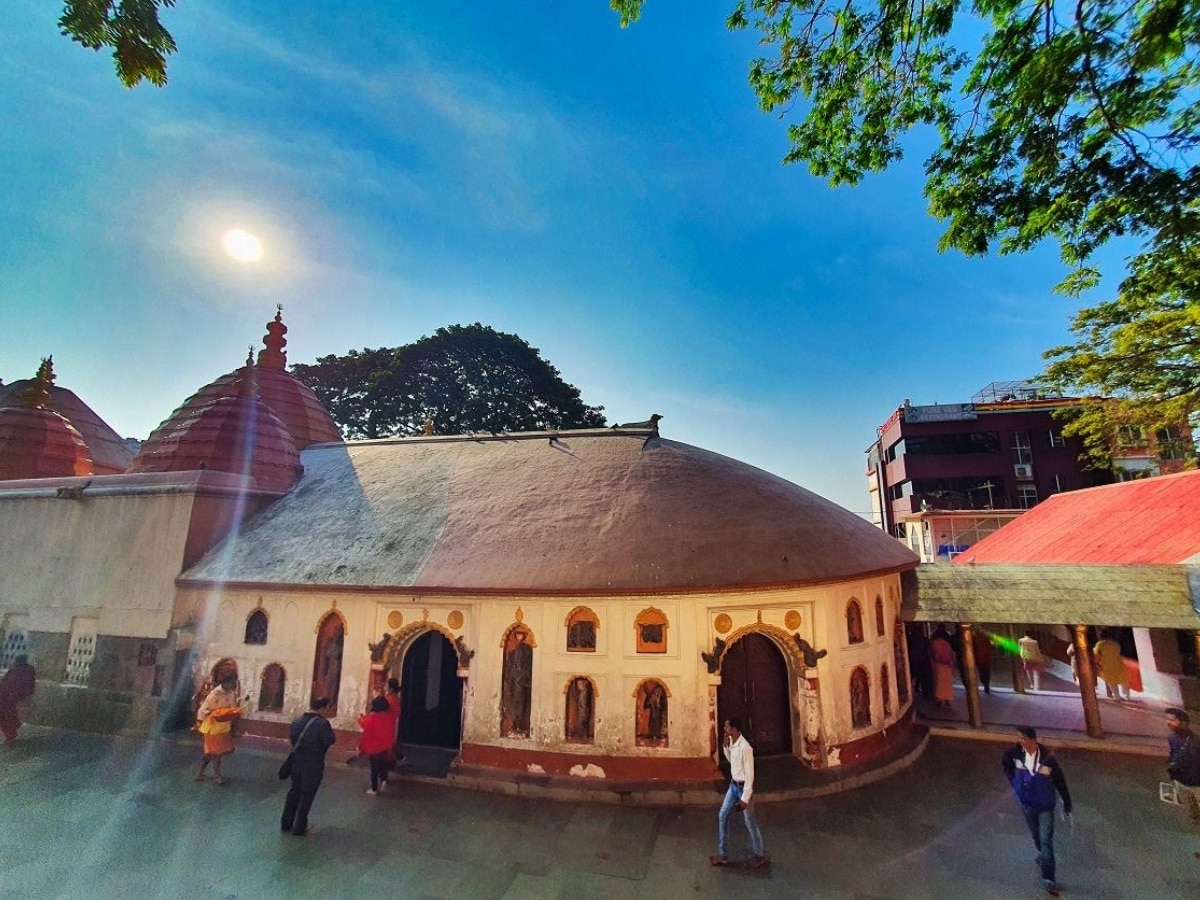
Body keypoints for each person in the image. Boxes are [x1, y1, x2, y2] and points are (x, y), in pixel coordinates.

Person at [1002, 726, 1073, 896]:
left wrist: (1067, 802)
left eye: (1024, 738)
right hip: (1027, 804)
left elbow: (1059, 780)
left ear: (1033, 740)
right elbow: (1006, 765)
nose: (1021, 741)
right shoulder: (1014, 754)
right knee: (1037, 837)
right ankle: (1042, 855)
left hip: (1045, 805)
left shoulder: (1048, 758)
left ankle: (1049, 879)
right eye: (1019, 738)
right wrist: (1016, 785)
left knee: (1046, 841)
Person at [710, 718, 766, 869]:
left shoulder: (745, 747)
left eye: (727, 727)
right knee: (722, 815)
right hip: (733, 786)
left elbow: (750, 774)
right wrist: (725, 748)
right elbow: (732, 761)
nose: (725, 729)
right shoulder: (732, 743)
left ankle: (759, 854)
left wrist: (745, 798)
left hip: (742, 788)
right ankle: (722, 854)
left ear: (735, 729)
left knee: (750, 821)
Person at [281, 697, 336, 837]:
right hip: (313, 765)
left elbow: (293, 739)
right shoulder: (323, 725)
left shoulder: (297, 721)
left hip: (297, 762)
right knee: (307, 795)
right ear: (323, 709)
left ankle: (286, 823)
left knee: (294, 792)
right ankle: (300, 827)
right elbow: (330, 740)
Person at [1165, 707, 1200, 860]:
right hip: (1182, 783)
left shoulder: (1196, 742)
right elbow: (1173, 755)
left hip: (1197, 785)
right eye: (1168, 719)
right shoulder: (1172, 738)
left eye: (1173, 720)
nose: (1169, 722)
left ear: (1183, 723)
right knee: (1193, 817)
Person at [195, 674, 241, 784]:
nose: (234, 685)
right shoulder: (214, 694)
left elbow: (232, 709)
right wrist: (200, 723)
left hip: (223, 727)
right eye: (232, 682)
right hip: (212, 726)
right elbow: (203, 710)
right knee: (217, 753)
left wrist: (232, 714)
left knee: (210, 753)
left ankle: (200, 774)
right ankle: (217, 776)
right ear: (225, 683)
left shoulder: (230, 693)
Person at [358, 696, 393, 795]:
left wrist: (361, 718)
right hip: (384, 746)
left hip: (374, 747)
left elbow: (365, 726)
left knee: (374, 768)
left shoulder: (371, 718)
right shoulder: (387, 717)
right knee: (383, 764)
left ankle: (374, 789)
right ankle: (384, 780)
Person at [0, 655, 36, 743]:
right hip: (12, 696)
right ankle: (11, 732)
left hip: (8, 696)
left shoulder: (16, 669)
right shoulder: (29, 670)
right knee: (9, 714)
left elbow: (5, 680)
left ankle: (10, 733)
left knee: (7, 715)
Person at [1093, 631, 1131, 700]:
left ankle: (1117, 696)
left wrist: (1097, 663)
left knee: (1111, 681)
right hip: (1118, 664)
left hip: (1107, 665)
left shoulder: (1100, 644)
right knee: (1123, 680)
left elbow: (1096, 655)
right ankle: (1127, 696)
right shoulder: (1115, 643)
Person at [930, 627, 956, 707]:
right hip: (948, 665)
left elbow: (932, 654)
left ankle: (940, 699)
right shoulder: (947, 644)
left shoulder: (934, 643)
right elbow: (951, 655)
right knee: (947, 683)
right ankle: (947, 699)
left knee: (939, 683)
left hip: (938, 665)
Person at [973, 629, 994, 695]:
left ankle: (985, 684)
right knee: (987, 672)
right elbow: (989, 648)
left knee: (982, 673)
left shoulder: (975, 639)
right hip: (986, 659)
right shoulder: (986, 639)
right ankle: (986, 685)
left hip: (979, 659)